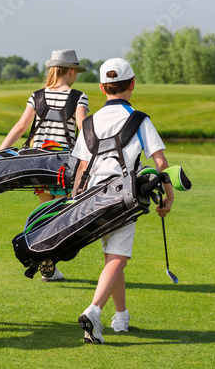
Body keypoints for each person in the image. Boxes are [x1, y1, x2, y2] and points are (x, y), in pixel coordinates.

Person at [71, 58, 174, 344]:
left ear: (102, 87)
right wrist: (168, 197)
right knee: (118, 257)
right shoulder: (139, 119)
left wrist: (73, 202)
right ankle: (94, 311)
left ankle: (121, 316)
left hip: (91, 198)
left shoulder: (89, 122)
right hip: (124, 196)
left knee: (111, 257)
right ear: (132, 84)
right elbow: (160, 162)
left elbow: (82, 167)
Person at [0, 49, 90, 282]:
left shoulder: (37, 96)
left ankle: (45, 261)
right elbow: (84, 130)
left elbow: (21, 127)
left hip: (39, 165)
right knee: (62, 215)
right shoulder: (79, 97)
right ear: (71, 71)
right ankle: (50, 259)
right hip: (64, 166)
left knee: (44, 212)